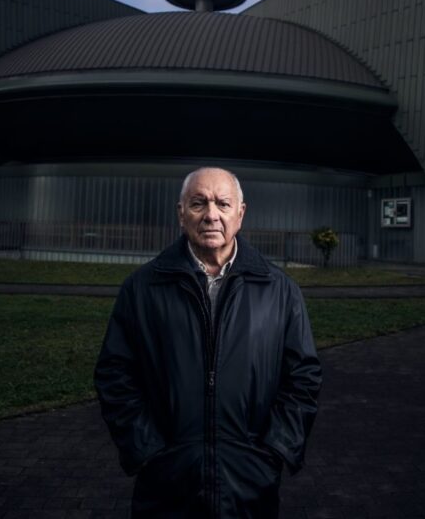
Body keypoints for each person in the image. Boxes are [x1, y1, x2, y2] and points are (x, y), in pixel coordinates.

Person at [94, 167, 322, 518]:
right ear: (181, 213)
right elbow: (115, 374)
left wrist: (274, 451)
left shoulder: (279, 290)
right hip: (166, 485)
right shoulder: (142, 288)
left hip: (249, 485)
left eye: (223, 203)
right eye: (198, 203)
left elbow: (303, 377)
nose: (211, 214)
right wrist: (147, 451)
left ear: (240, 214)